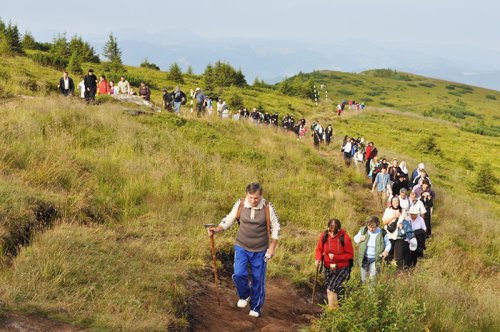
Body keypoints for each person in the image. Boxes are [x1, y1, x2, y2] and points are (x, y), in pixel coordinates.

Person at [207, 183, 280, 318]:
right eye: (250, 197)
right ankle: (244, 294)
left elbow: (276, 227)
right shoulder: (240, 204)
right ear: (246, 195)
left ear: (261, 196)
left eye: (256, 198)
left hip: (260, 250)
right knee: (239, 274)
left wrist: (272, 247)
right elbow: (228, 219)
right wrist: (216, 230)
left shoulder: (268, 207)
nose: (253, 201)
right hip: (241, 246)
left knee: (258, 279)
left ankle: (255, 307)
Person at [315, 219, 354, 309]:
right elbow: (319, 249)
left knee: (331, 289)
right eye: (330, 232)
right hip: (327, 266)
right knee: (331, 290)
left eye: (334, 233)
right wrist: (318, 259)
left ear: (339, 230)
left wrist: (336, 257)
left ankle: (331, 310)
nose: (332, 235)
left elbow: (350, 255)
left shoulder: (345, 238)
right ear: (328, 228)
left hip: (342, 268)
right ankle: (334, 310)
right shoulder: (324, 235)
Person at [353, 216, 391, 284]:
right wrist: (360, 239)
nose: (371, 229)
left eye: (373, 227)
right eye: (369, 227)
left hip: (375, 259)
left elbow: (388, 244)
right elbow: (355, 238)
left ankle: (372, 294)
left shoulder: (382, 233)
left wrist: (386, 251)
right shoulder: (363, 230)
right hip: (364, 258)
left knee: (372, 279)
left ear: (377, 225)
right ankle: (364, 294)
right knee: (363, 280)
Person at [382, 196, 413, 269]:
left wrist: (402, 224)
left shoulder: (403, 210)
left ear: (399, 202)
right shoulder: (388, 210)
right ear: (391, 203)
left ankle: (400, 270)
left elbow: (408, 221)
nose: (395, 203)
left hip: (399, 234)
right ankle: (387, 268)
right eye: (394, 202)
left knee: (399, 253)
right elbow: (384, 222)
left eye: (397, 202)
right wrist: (394, 216)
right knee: (389, 251)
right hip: (389, 234)